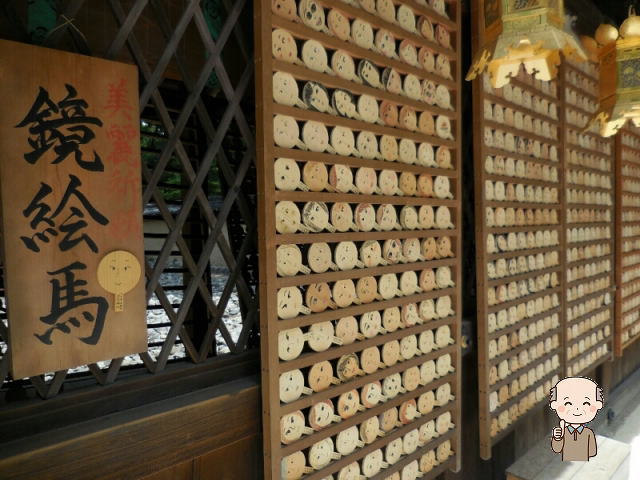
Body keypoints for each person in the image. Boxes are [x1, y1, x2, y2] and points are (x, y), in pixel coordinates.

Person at [549, 376, 603, 461]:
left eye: (585, 403)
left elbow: (592, 451)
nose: (577, 409)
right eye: (568, 403)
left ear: (597, 405)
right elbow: (557, 449)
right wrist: (557, 438)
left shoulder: (588, 433)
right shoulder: (564, 432)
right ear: (555, 405)